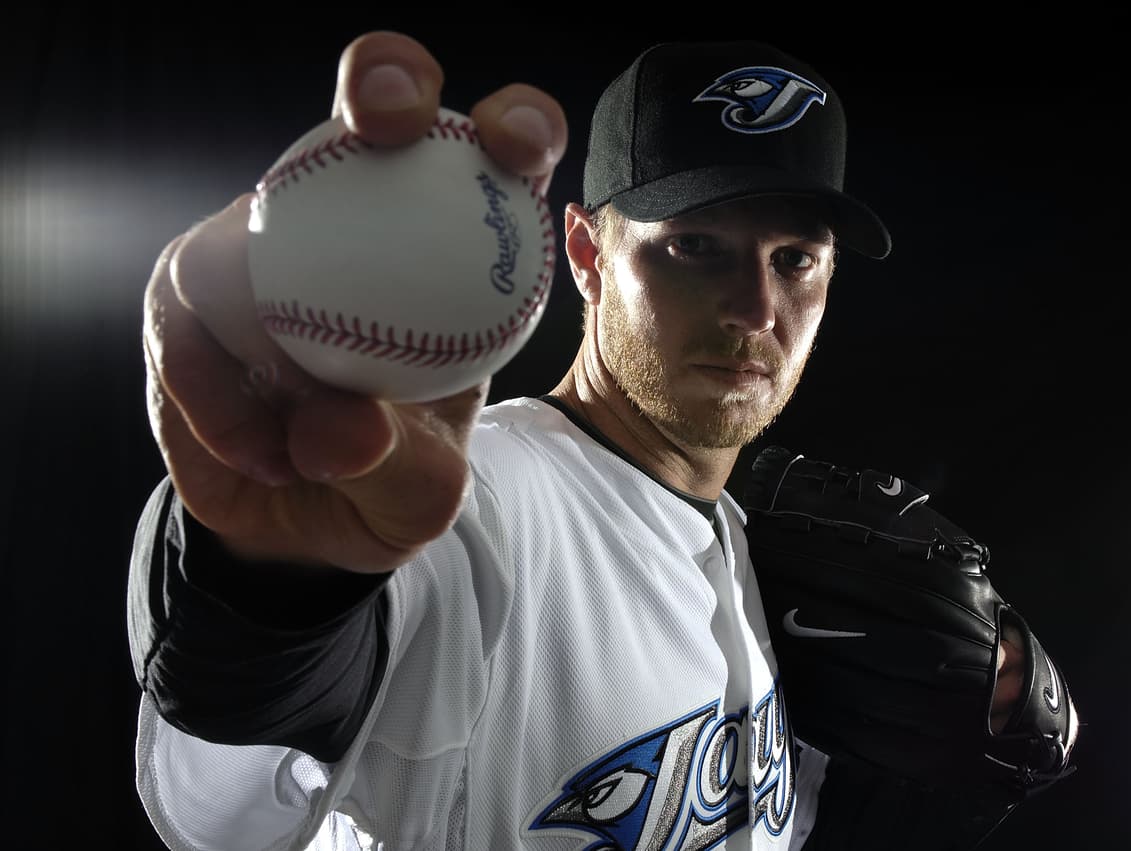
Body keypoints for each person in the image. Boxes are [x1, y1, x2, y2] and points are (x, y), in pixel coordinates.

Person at [128, 31, 1077, 850]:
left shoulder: (758, 559)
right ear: (586, 253)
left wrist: (973, 736)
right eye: (695, 245)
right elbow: (241, 736)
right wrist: (268, 578)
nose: (756, 309)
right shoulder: (480, 505)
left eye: (795, 260)